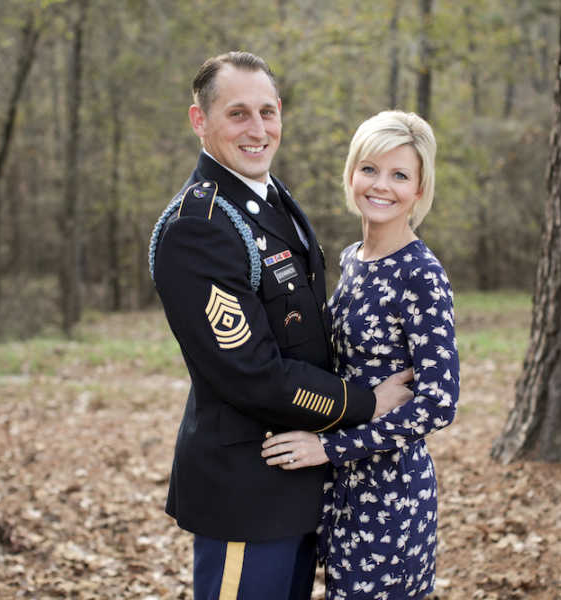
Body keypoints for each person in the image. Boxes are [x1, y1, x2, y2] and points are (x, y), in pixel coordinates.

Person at [149, 53, 413, 600]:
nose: (258, 129)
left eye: (267, 112)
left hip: (294, 478)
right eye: (238, 113)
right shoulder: (198, 227)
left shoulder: (269, 201)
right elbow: (251, 374)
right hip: (245, 486)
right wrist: (365, 404)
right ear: (200, 121)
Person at [262, 110, 459, 599]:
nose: (381, 185)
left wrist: (328, 447)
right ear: (351, 174)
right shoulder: (351, 260)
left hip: (390, 494)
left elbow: (438, 401)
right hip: (335, 489)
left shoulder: (421, 276)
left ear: (419, 189)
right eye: (369, 169)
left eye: (400, 175)